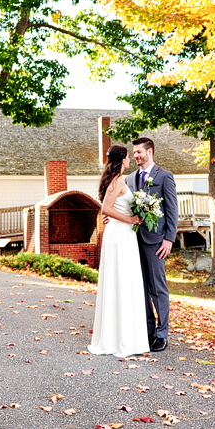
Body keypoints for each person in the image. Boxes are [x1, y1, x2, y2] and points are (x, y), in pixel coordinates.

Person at [88, 145, 150, 357]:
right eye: (127, 157)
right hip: (120, 236)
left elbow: (112, 207)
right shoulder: (117, 180)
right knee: (121, 282)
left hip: (125, 235)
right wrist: (131, 219)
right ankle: (119, 339)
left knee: (126, 282)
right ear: (121, 159)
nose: (130, 160)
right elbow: (106, 208)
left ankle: (125, 336)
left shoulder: (118, 180)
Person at [126, 137, 178, 352]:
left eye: (139, 152)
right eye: (134, 152)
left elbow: (172, 210)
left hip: (156, 241)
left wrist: (169, 238)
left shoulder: (164, 176)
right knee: (141, 288)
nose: (136, 156)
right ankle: (147, 331)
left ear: (150, 151)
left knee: (158, 289)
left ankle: (162, 334)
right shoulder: (129, 179)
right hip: (132, 240)